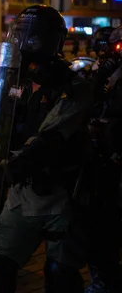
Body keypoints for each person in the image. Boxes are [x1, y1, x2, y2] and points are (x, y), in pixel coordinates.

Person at [0, 5, 92, 293]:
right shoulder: (12, 81)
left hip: (62, 195)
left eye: (31, 38)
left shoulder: (74, 85)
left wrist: (10, 168)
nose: (22, 44)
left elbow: (51, 137)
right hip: (21, 194)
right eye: (18, 36)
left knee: (60, 277)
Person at [84, 25, 122, 293]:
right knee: (101, 227)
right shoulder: (110, 73)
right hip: (107, 160)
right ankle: (104, 280)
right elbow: (95, 106)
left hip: (116, 160)